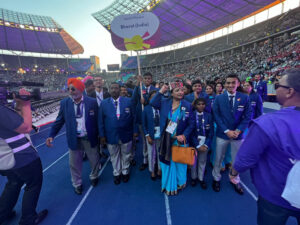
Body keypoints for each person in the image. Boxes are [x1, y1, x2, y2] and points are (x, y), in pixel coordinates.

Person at [233, 68, 300, 225]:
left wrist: (233, 172)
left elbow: (245, 158)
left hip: (275, 196)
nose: (276, 89)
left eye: (278, 86)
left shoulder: (268, 123)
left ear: (289, 91)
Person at [0, 88, 47, 225]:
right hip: (20, 157)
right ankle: (28, 219)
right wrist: (26, 104)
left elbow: (15, 120)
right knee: (33, 183)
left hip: (5, 158)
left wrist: (20, 104)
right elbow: (26, 127)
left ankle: (3, 213)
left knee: (13, 183)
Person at [46, 78, 101, 195]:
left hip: (89, 136)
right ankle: (77, 183)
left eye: (73, 89)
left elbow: (98, 120)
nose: (70, 91)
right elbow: (59, 120)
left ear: (81, 90)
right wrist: (52, 135)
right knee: (74, 163)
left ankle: (94, 176)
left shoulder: (92, 102)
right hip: (74, 138)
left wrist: (101, 135)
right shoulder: (65, 103)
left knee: (94, 159)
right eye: (69, 89)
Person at [150, 82, 195, 195]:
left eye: (182, 90)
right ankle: (169, 185)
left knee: (180, 162)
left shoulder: (187, 105)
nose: (181, 92)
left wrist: (184, 135)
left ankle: (180, 182)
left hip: (180, 140)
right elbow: (152, 103)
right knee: (167, 163)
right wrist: (161, 91)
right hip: (166, 140)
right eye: (177, 91)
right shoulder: (164, 102)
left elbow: (191, 124)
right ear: (171, 93)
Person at [212, 74, 251, 194]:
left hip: (238, 135)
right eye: (228, 83)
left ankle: (234, 179)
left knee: (236, 160)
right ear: (224, 84)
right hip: (222, 134)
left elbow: (248, 116)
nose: (230, 85)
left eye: (233, 82)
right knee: (218, 158)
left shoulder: (245, 98)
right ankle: (216, 178)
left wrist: (238, 131)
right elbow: (216, 116)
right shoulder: (218, 98)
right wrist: (226, 131)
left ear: (238, 84)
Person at [99, 82, 138, 185]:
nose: (114, 90)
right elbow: (100, 121)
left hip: (126, 134)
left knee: (126, 155)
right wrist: (102, 135)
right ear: (109, 90)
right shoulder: (104, 103)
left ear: (119, 90)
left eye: (116, 88)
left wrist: (135, 131)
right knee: (114, 156)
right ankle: (117, 173)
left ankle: (125, 171)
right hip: (111, 135)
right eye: (112, 88)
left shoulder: (128, 101)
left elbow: (134, 118)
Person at [132, 72, 158, 171]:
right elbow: (133, 100)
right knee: (145, 140)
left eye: (149, 78)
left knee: (154, 140)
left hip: (153, 119)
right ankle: (145, 160)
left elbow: (156, 102)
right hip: (142, 117)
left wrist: (146, 101)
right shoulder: (139, 88)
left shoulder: (156, 90)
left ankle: (154, 160)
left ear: (151, 80)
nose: (147, 80)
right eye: (145, 78)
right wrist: (137, 84)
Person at [190, 98, 214, 189]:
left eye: (203, 104)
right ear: (195, 105)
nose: (201, 106)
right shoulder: (191, 115)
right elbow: (191, 132)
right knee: (193, 162)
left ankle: (201, 178)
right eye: (199, 104)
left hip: (205, 144)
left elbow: (211, 132)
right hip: (194, 143)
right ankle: (194, 177)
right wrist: (197, 145)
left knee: (202, 161)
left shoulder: (209, 116)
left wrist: (206, 144)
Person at [142, 90, 161, 180]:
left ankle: (160, 169)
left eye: (156, 97)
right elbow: (144, 124)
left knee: (160, 152)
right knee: (151, 153)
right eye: (152, 97)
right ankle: (152, 170)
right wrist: (147, 135)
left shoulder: (161, 107)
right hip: (151, 135)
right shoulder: (146, 109)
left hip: (161, 135)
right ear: (149, 99)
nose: (154, 98)